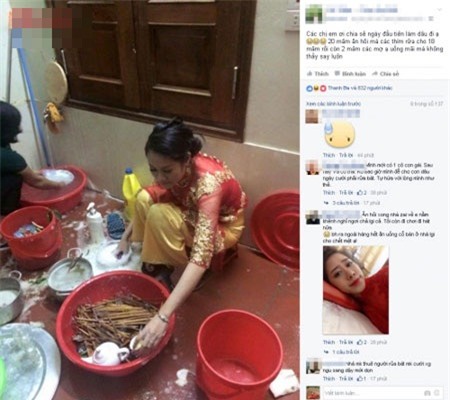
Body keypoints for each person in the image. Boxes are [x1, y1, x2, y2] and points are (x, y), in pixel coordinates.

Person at [117, 117, 247, 349]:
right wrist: (125, 237)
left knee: (160, 214)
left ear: (186, 160)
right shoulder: (176, 169)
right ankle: (156, 263)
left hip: (224, 225)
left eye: (166, 171)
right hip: (190, 203)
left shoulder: (208, 186)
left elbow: (201, 254)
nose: (159, 178)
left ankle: (164, 266)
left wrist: (163, 316)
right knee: (144, 197)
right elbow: (157, 189)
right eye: (153, 170)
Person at [0, 101, 66, 216]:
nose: (20, 129)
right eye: (16, 125)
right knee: (14, 179)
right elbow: (37, 181)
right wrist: (60, 185)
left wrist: (33, 172)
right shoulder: (7, 157)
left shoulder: (4, 149)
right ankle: (8, 214)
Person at [323, 247, 389, 333]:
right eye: (338, 273)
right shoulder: (358, 307)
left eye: (348, 264)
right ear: (331, 285)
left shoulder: (386, 276)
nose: (351, 273)